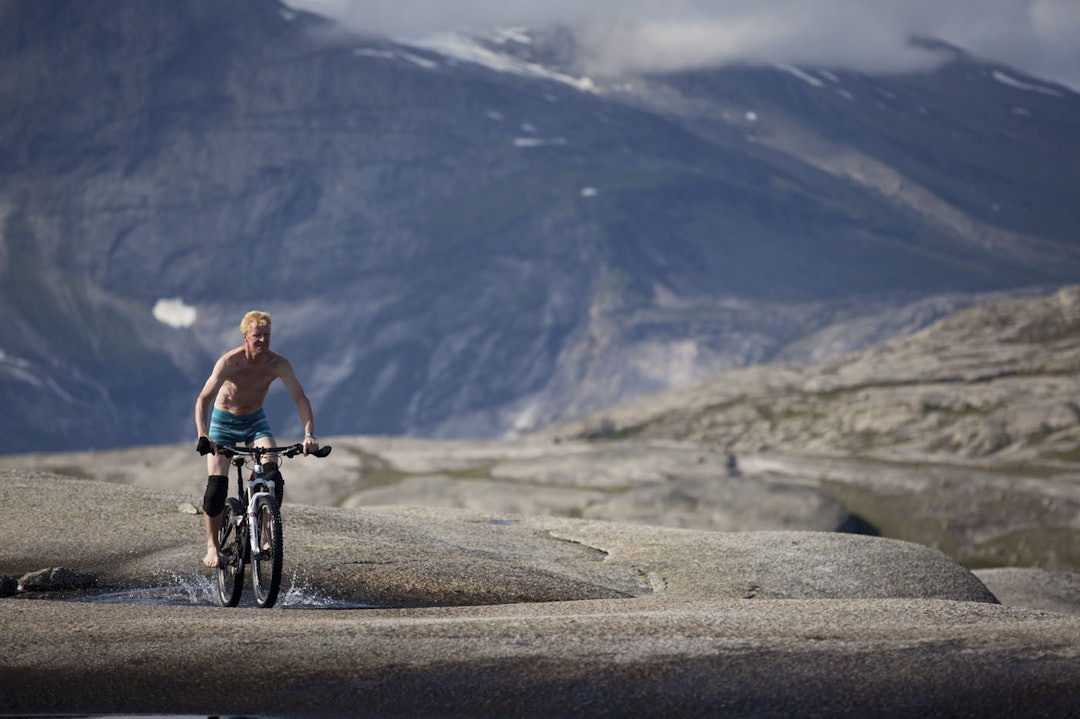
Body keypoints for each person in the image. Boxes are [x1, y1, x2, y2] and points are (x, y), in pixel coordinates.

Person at [194, 310, 319, 568]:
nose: (262, 340)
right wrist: (203, 434)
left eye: (266, 335)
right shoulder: (230, 362)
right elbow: (203, 399)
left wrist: (309, 434)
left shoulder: (278, 364)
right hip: (223, 423)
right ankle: (212, 546)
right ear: (245, 337)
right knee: (216, 489)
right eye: (257, 336)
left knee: (272, 476)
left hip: (255, 422)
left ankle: (264, 537)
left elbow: (300, 398)